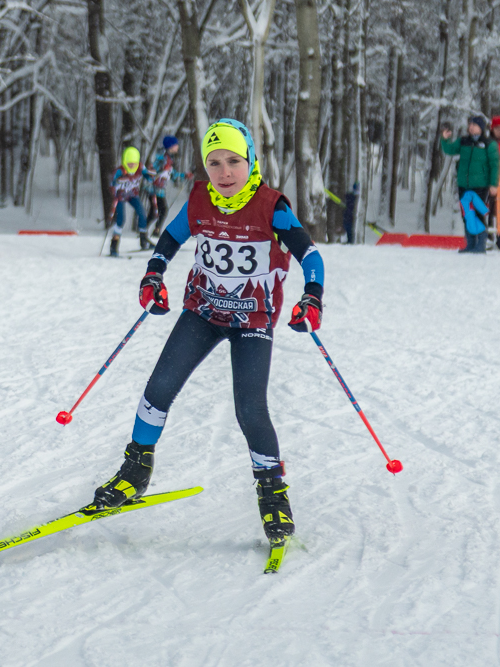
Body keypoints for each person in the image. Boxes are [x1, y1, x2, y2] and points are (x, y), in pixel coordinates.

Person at [91, 119, 326, 543]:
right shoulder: (201, 199)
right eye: (214, 162)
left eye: (234, 161)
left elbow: (310, 256)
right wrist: (153, 276)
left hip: (252, 321)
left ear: (250, 159)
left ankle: (273, 493)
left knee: (250, 409)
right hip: (202, 311)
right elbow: (169, 240)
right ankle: (136, 468)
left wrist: (312, 298)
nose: (224, 172)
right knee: (157, 389)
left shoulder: (272, 206)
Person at [440, 116, 500, 246]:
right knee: (466, 215)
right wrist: (445, 139)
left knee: (477, 214)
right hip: (463, 184)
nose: (471, 127)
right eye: (470, 124)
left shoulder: (489, 144)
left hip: (480, 185)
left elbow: (495, 165)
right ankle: (470, 244)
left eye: (474, 125)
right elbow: (449, 150)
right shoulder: (463, 141)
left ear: (481, 128)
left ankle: (480, 244)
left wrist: (494, 184)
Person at [109, 147, 154, 257]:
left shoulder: (140, 167)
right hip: (121, 196)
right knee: (121, 219)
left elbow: (149, 177)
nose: (132, 166)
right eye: (129, 164)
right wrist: (115, 189)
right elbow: (111, 185)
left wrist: (151, 176)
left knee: (142, 213)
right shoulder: (119, 171)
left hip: (132, 195)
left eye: (134, 164)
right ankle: (114, 245)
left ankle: (143, 241)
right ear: (125, 162)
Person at [146, 136, 189, 237]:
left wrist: (184, 175)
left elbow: (172, 174)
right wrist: (161, 169)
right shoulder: (162, 158)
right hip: (154, 189)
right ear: (170, 146)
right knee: (160, 211)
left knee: (157, 212)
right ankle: (150, 231)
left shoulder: (169, 159)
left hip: (159, 190)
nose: (177, 147)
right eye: (176, 145)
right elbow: (152, 171)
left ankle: (148, 230)